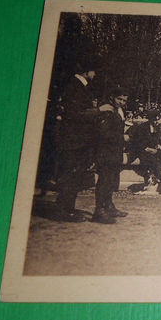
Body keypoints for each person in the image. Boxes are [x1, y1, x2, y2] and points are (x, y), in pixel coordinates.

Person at [54, 66, 101, 222]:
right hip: (74, 140)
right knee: (70, 175)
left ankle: (67, 209)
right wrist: (98, 111)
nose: (95, 74)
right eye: (94, 71)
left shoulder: (77, 86)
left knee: (73, 175)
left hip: (76, 140)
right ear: (87, 71)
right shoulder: (76, 86)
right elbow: (74, 114)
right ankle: (64, 211)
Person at [91, 89, 130, 224]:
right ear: (112, 97)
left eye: (124, 100)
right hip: (106, 152)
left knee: (111, 180)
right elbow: (102, 133)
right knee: (104, 180)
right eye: (119, 99)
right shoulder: (108, 111)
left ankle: (109, 206)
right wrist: (122, 137)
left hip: (115, 151)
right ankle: (99, 211)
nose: (122, 102)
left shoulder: (119, 111)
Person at [127, 109, 161, 187]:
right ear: (150, 119)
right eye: (155, 120)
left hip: (151, 149)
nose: (157, 122)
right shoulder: (142, 128)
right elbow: (138, 143)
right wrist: (151, 149)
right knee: (154, 159)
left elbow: (158, 140)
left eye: (158, 120)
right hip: (141, 151)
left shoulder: (156, 127)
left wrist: (159, 145)